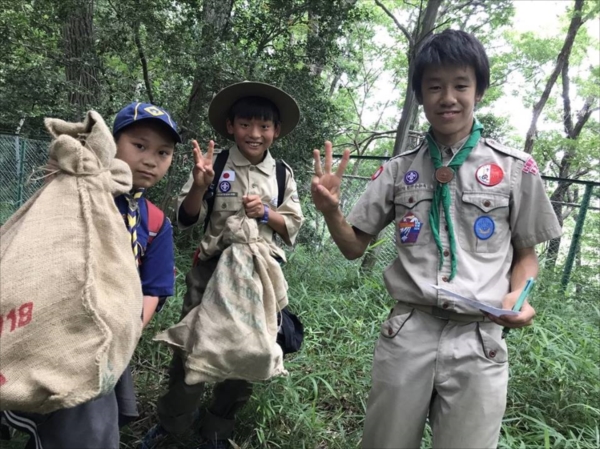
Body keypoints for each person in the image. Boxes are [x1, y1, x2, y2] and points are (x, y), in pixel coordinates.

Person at [311, 29, 562, 449]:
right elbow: (354, 246)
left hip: (479, 338)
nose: (448, 97)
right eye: (435, 86)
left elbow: (526, 253)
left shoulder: (515, 169)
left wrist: (519, 296)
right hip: (409, 331)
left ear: (478, 90)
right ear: (420, 96)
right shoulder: (397, 170)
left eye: (460, 85)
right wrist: (332, 210)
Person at [2, 102, 179, 449]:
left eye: (163, 152)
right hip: (50, 320)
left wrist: (121, 338)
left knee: (86, 426)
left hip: (106, 337)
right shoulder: (78, 191)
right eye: (139, 146)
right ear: (112, 143)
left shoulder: (157, 223)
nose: (150, 159)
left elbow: (152, 290)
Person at [142, 81, 304, 449]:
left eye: (264, 127)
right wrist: (200, 186)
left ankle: (218, 429)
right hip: (210, 273)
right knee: (192, 351)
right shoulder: (214, 164)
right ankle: (173, 425)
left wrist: (267, 213)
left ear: (276, 132)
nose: (255, 133)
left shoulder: (282, 175)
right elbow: (186, 218)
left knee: (247, 352)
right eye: (246, 124)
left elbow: (293, 223)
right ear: (230, 126)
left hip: (258, 279)